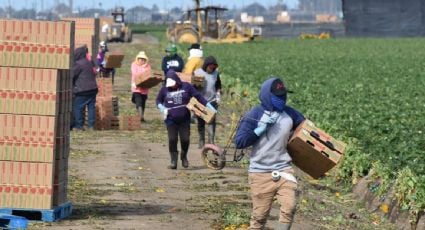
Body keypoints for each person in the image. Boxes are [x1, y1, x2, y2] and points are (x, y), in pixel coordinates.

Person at [234, 77, 305, 230]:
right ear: (267, 96)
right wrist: (259, 130)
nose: (281, 99)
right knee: (259, 218)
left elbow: (305, 127)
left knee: (289, 206)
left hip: (283, 169)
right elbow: (239, 141)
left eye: (283, 95)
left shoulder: (289, 113)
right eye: (277, 96)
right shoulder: (255, 114)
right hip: (260, 173)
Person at [156, 70, 216, 169]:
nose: (172, 87)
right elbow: (158, 100)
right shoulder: (164, 90)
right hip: (171, 120)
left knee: (185, 139)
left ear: (177, 80)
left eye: (173, 84)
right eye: (170, 85)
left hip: (184, 119)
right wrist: (161, 107)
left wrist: (208, 105)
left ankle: (184, 156)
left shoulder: (186, 86)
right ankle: (173, 160)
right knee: (172, 139)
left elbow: (198, 96)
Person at [193, 56, 222, 148]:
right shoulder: (198, 73)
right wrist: (197, 84)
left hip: (212, 100)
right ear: (206, 66)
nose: (212, 69)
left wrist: (218, 96)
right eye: (210, 67)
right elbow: (194, 88)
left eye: (213, 68)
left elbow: (218, 86)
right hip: (200, 100)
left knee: (211, 121)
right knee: (201, 121)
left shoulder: (216, 74)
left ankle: (211, 141)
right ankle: (201, 140)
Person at [72, 45, 98, 131]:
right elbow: (94, 73)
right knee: (91, 107)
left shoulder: (78, 64)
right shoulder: (89, 62)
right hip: (93, 88)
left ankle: (79, 126)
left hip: (82, 90)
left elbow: (72, 75)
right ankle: (91, 126)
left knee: (78, 107)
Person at [131, 51, 151, 122]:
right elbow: (135, 73)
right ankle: (140, 115)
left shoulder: (148, 66)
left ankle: (142, 116)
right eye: (140, 59)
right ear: (137, 59)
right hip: (136, 88)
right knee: (138, 101)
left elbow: (148, 74)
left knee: (143, 102)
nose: (142, 60)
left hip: (144, 88)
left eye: (143, 59)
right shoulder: (134, 65)